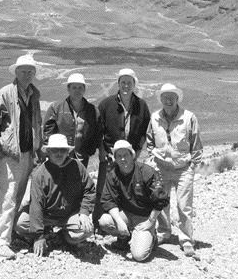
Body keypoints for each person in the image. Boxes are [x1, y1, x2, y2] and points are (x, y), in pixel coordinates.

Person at [0, 54, 43, 259]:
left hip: (27, 152)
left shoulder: (33, 94)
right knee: (7, 197)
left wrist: (37, 148)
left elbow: (35, 123)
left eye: (31, 71)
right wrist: (2, 148)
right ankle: (1, 241)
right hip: (10, 154)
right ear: (16, 72)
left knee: (18, 195)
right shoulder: (5, 93)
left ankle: (9, 233)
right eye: (23, 71)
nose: (27, 74)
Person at [15, 134, 95, 256]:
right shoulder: (39, 174)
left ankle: (64, 236)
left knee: (86, 230)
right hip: (47, 215)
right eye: (54, 150)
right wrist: (38, 235)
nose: (58, 153)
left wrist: (84, 213)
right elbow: (36, 204)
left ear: (68, 151)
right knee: (20, 223)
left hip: (70, 214)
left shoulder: (78, 167)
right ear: (48, 152)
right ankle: (45, 231)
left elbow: (89, 190)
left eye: (62, 150)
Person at [146, 83, 203, 257]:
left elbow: (196, 143)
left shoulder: (188, 117)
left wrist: (193, 166)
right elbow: (149, 141)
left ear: (177, 99)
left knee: (184, 205)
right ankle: (164, 232)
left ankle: (186, 239)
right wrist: (153, 161)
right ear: (161, 99)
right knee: (161, 202)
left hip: (183, 168)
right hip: (161, 167)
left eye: (172, 97)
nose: (168, 100)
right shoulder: (155, 118)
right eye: (165, 97)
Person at [98, 140, 169, 262]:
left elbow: (161, 199)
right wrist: (119, 222)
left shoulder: (146, 172)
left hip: (145, 218)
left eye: (125, 155)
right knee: (104, 221)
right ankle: (124, 238)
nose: (122, 159)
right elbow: (108, 200)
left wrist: (151, 221)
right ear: (115, 158)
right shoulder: (112, 174)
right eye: (119, 156)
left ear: (132, 155)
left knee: (139, 256)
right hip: (126, 214)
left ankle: (152, 238)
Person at [95, 68, 151, 222]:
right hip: (109, 155)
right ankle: (98, 220)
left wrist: (138, 150)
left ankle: (123, 220)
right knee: (103, 187)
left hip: (130, 156)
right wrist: (102, 150)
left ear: (134, 85)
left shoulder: (141, 105)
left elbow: (144, 131)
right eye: (123, 82)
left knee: (126, 187)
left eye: (129, 83)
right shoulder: (106, 104)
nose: (126, 86)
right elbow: (98, 130)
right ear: (118, 84)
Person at [43, 73, 100, 168]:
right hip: (59, 155)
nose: (77, 91)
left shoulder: (92, 110)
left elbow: (97, 132)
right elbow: (48, 131)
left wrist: (91, 149)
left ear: (84, 89)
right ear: (68, 89)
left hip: (82, 156)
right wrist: (51, 151)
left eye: (80, 87)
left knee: (78, 180)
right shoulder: (56, 108)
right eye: (74, 87)